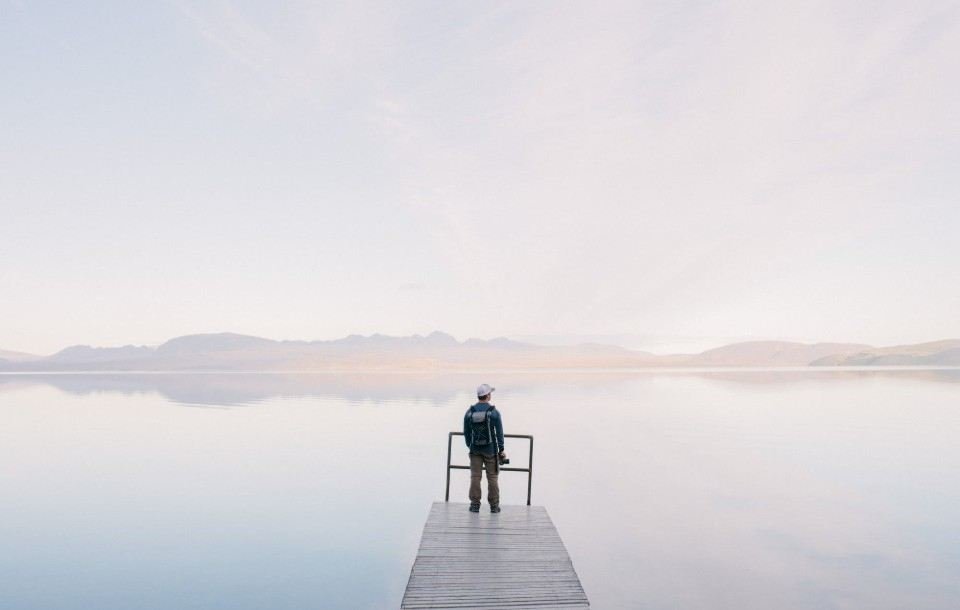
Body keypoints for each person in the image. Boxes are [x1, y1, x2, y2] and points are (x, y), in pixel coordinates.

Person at [463, 383, 506, 513]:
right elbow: (499, 433)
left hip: (475, 450)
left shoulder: (470, 412)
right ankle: (494, 506)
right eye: (490, 393)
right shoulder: (493, 412)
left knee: (475, 476)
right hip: (490, 450)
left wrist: (470, 445)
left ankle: (475, 505)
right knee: (492, 477)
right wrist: (501, 449)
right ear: (487, 395)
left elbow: (466, 432)